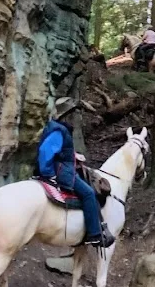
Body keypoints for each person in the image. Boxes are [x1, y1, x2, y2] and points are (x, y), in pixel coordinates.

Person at [37, 100, 115, 248]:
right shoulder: (59, 130)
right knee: (88, 193)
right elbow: (45, 152)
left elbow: (59, 151)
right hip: (63, 172)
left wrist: (73, 155)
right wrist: (49, 174)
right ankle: (95, 235)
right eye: (71, 113)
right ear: (64, 115)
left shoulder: (58, 129)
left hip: (63, 167)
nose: (73, 117)